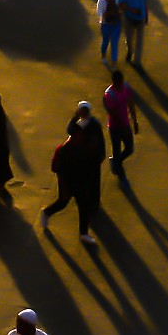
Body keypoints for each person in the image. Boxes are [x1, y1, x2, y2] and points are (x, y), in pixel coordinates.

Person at [41, 101, 106, 239]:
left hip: (78, 181)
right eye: (81, 135)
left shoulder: (80, 146)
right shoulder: (65, 149)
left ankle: (83, 233)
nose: (83, 137)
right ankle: (46, 213)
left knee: (83, 207)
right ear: (76, 135)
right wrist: (64, 186)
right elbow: (59, 170)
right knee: (62, 203)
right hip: (68, 182)